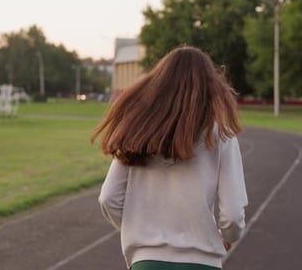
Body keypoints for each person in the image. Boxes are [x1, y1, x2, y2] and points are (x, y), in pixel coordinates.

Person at [92, 45, 248, 270]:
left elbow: (108, 198)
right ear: (209, 88)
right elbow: (232, 215)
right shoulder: (221, 135)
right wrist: (228, 236)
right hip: (202, 263)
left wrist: (143, 235)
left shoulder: (137, 132)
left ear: (157, 85)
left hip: (146, 263)